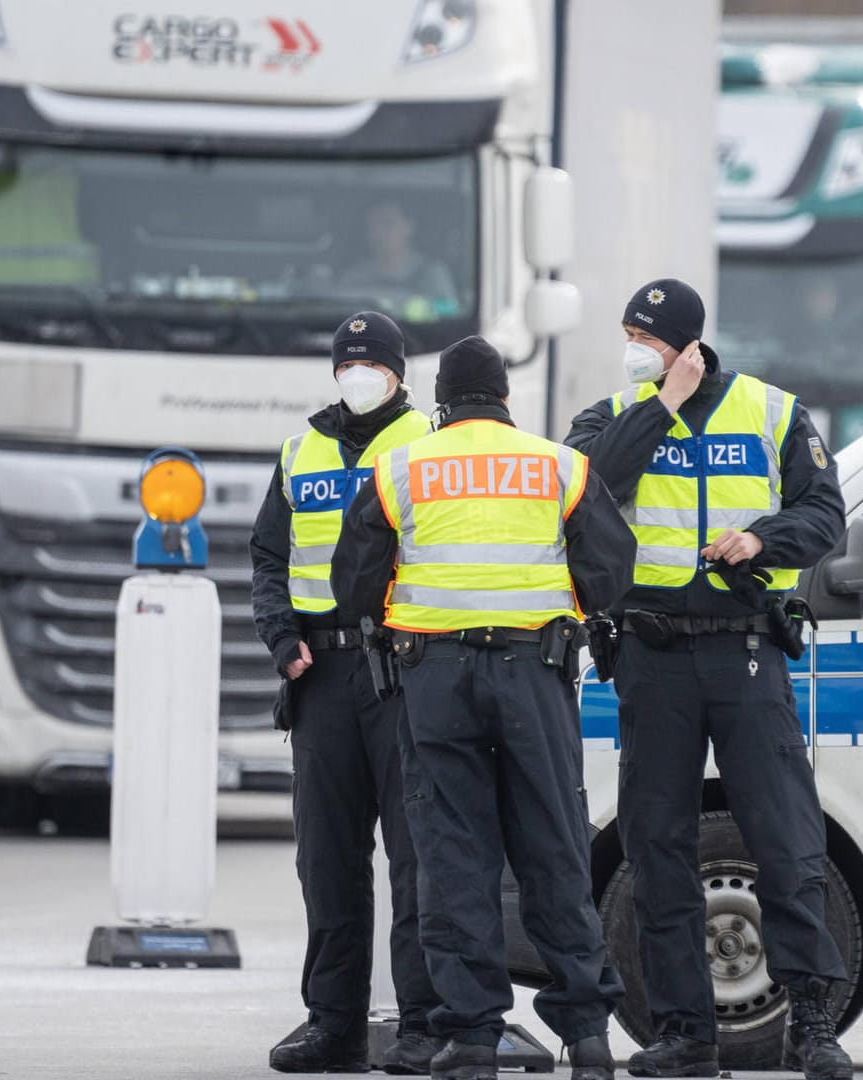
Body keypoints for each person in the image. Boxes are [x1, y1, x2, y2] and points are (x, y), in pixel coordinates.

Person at [564, 279, 854, 1080]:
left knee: (786, 839)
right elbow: (584, 495)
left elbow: (825, 516)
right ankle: (685, 1034)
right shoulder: (613, 416)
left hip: (745, 648)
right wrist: (663, 404)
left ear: (686, 341)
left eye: (645, 335)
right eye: (626, 332)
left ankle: (814, 1025)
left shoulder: (771, 412)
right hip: (652, 656)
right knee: (657, 847)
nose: (632, 347)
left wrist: (762, 540)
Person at [331, 335, 633, 1080]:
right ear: (505, 398)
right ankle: (587, 1038)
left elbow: (354, 583)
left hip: (434, 680)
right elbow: (611, 568)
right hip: (535, 673)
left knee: (453, 856)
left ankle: (471, 1038)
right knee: (555, 849)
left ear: (441, 402)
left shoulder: (400, 468)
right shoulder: (556, 465)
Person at [249, 310, 443, 1074]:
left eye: (372, 365)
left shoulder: (428, 444)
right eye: (346, 365)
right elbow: (268, 555)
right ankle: (334, 1023)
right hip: (321, 673)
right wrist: (281, 637)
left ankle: (424, 1021)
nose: (357, 376)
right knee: (327, 858)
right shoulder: (301, 451)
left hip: (403, 668)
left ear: (399, 374)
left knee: (418, 855)